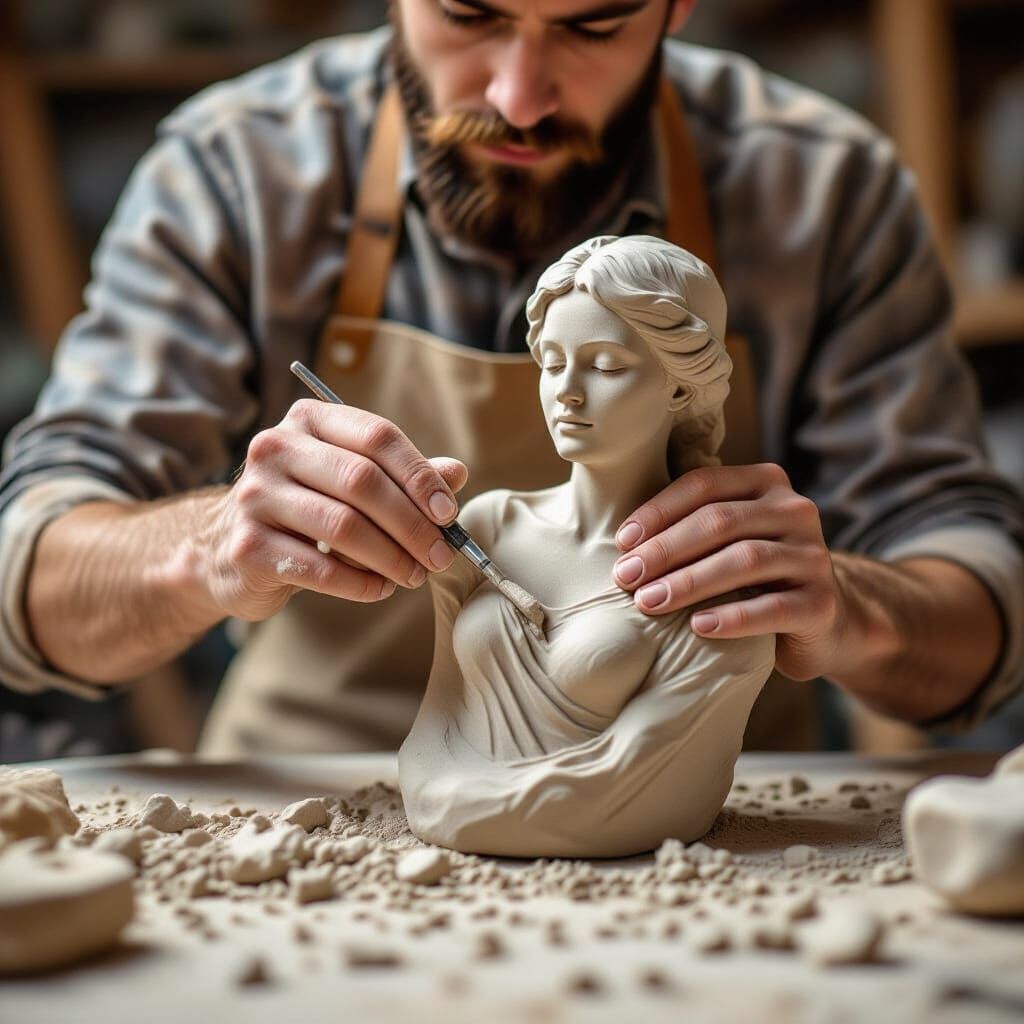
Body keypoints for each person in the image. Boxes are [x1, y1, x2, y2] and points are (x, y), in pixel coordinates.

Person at [0, 0, 1021, 756]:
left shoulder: (821, 186)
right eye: (467, 15)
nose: (517, 98)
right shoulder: (237, 168)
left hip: (715, 821)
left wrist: (856, 605)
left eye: (593, 26)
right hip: (314, 796)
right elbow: (24, 588)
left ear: (675, 8)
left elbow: (985, 617)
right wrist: (208, 547)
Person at [400, 235, 777, 857]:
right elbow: (434, 729)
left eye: (604, 365)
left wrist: (458, 801)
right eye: (551, 362)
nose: (566, 392)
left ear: (680, 390)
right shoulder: (487, 529)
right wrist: (439, 790)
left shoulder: (715, 570)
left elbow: (635, 784)